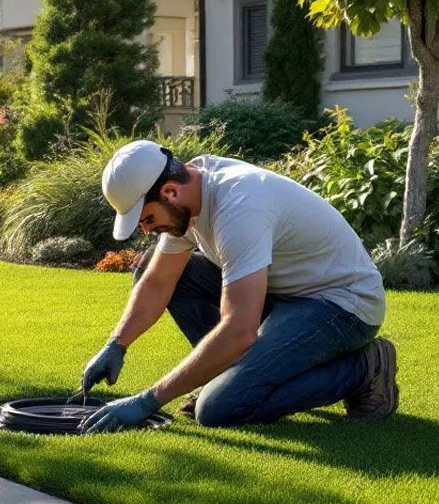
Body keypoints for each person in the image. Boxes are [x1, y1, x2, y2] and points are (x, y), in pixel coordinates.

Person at [78, 139, 395, 434]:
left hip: (341, 305)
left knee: (219, 408)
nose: (147, 230)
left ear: (170, 192)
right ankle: (228, 373)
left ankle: (364, 368)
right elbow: (158, 282)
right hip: (282, 292)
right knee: (158, 267)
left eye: (146, 218)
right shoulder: (190, 195)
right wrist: (116, 344)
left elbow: (239, 330)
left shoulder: (240, 206)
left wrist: (148, 401)